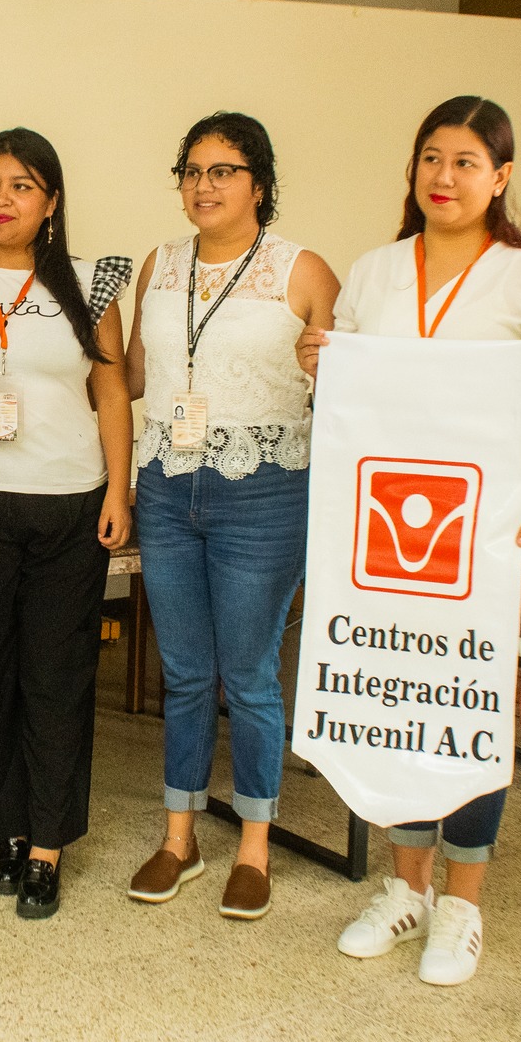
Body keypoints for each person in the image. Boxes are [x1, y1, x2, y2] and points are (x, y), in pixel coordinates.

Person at [296, 95, 521, 985]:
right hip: (382, 535)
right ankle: (404, 886)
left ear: (499, 178)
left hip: (484, 533)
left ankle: (462, 904)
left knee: (467, 704)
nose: (444, 177)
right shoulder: (376, 271)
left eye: (465, 162)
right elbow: (352, 396)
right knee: (395, 695)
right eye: (430, 158)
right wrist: (319, 360)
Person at [124, 111, 338, 920]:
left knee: (246, 676)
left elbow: (347, 389)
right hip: (169, 486)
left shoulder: (302, 268)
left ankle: (254, 843)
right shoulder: (159, 264)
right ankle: (179, 836)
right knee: (182, 671)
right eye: (191, 169)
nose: (203, 184)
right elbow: (137, 375)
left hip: (265, 490)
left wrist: (332, 365)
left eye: (223, 170)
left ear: (259, 183)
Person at [0, 128, 133, 920]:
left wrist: (120, 490)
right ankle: (6, 826)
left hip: (70, 502)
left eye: (21, 185)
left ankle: (46, 843)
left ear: (50, 203)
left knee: (56, 677)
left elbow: (112, 393)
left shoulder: (92, 280)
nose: (1, 199)